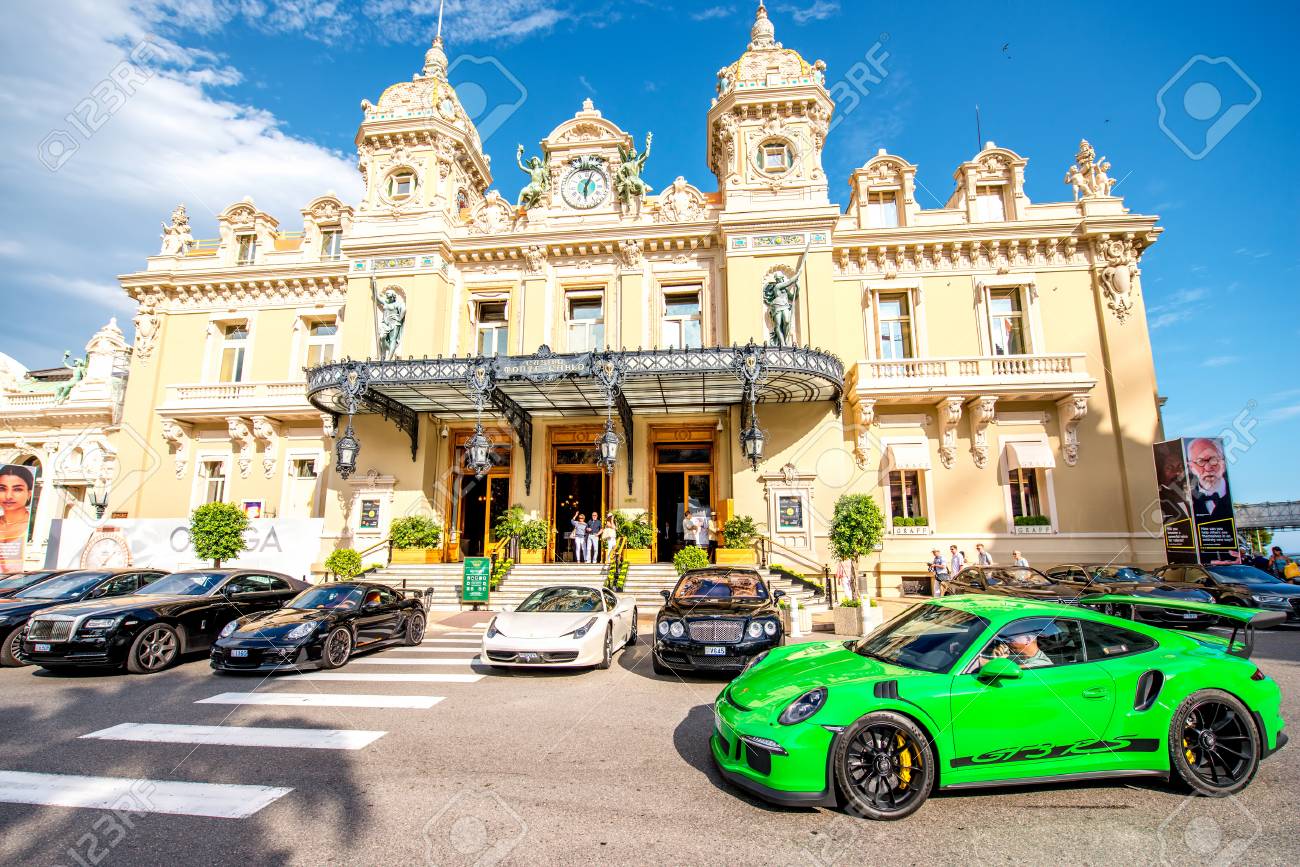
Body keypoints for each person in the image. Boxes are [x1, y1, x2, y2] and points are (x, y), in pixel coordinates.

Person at [0, 464, 35, 573]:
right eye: (2, 489)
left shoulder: (34, 526)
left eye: (17, 489)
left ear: (29, 494)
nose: (8, 496)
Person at [1187, 438, 1230, 519]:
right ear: (1191, 467)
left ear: (1223, 464)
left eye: (1213, 460)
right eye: (1200, 461)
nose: (1208, 468)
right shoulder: (1186, 501)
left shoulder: (1236, 493)